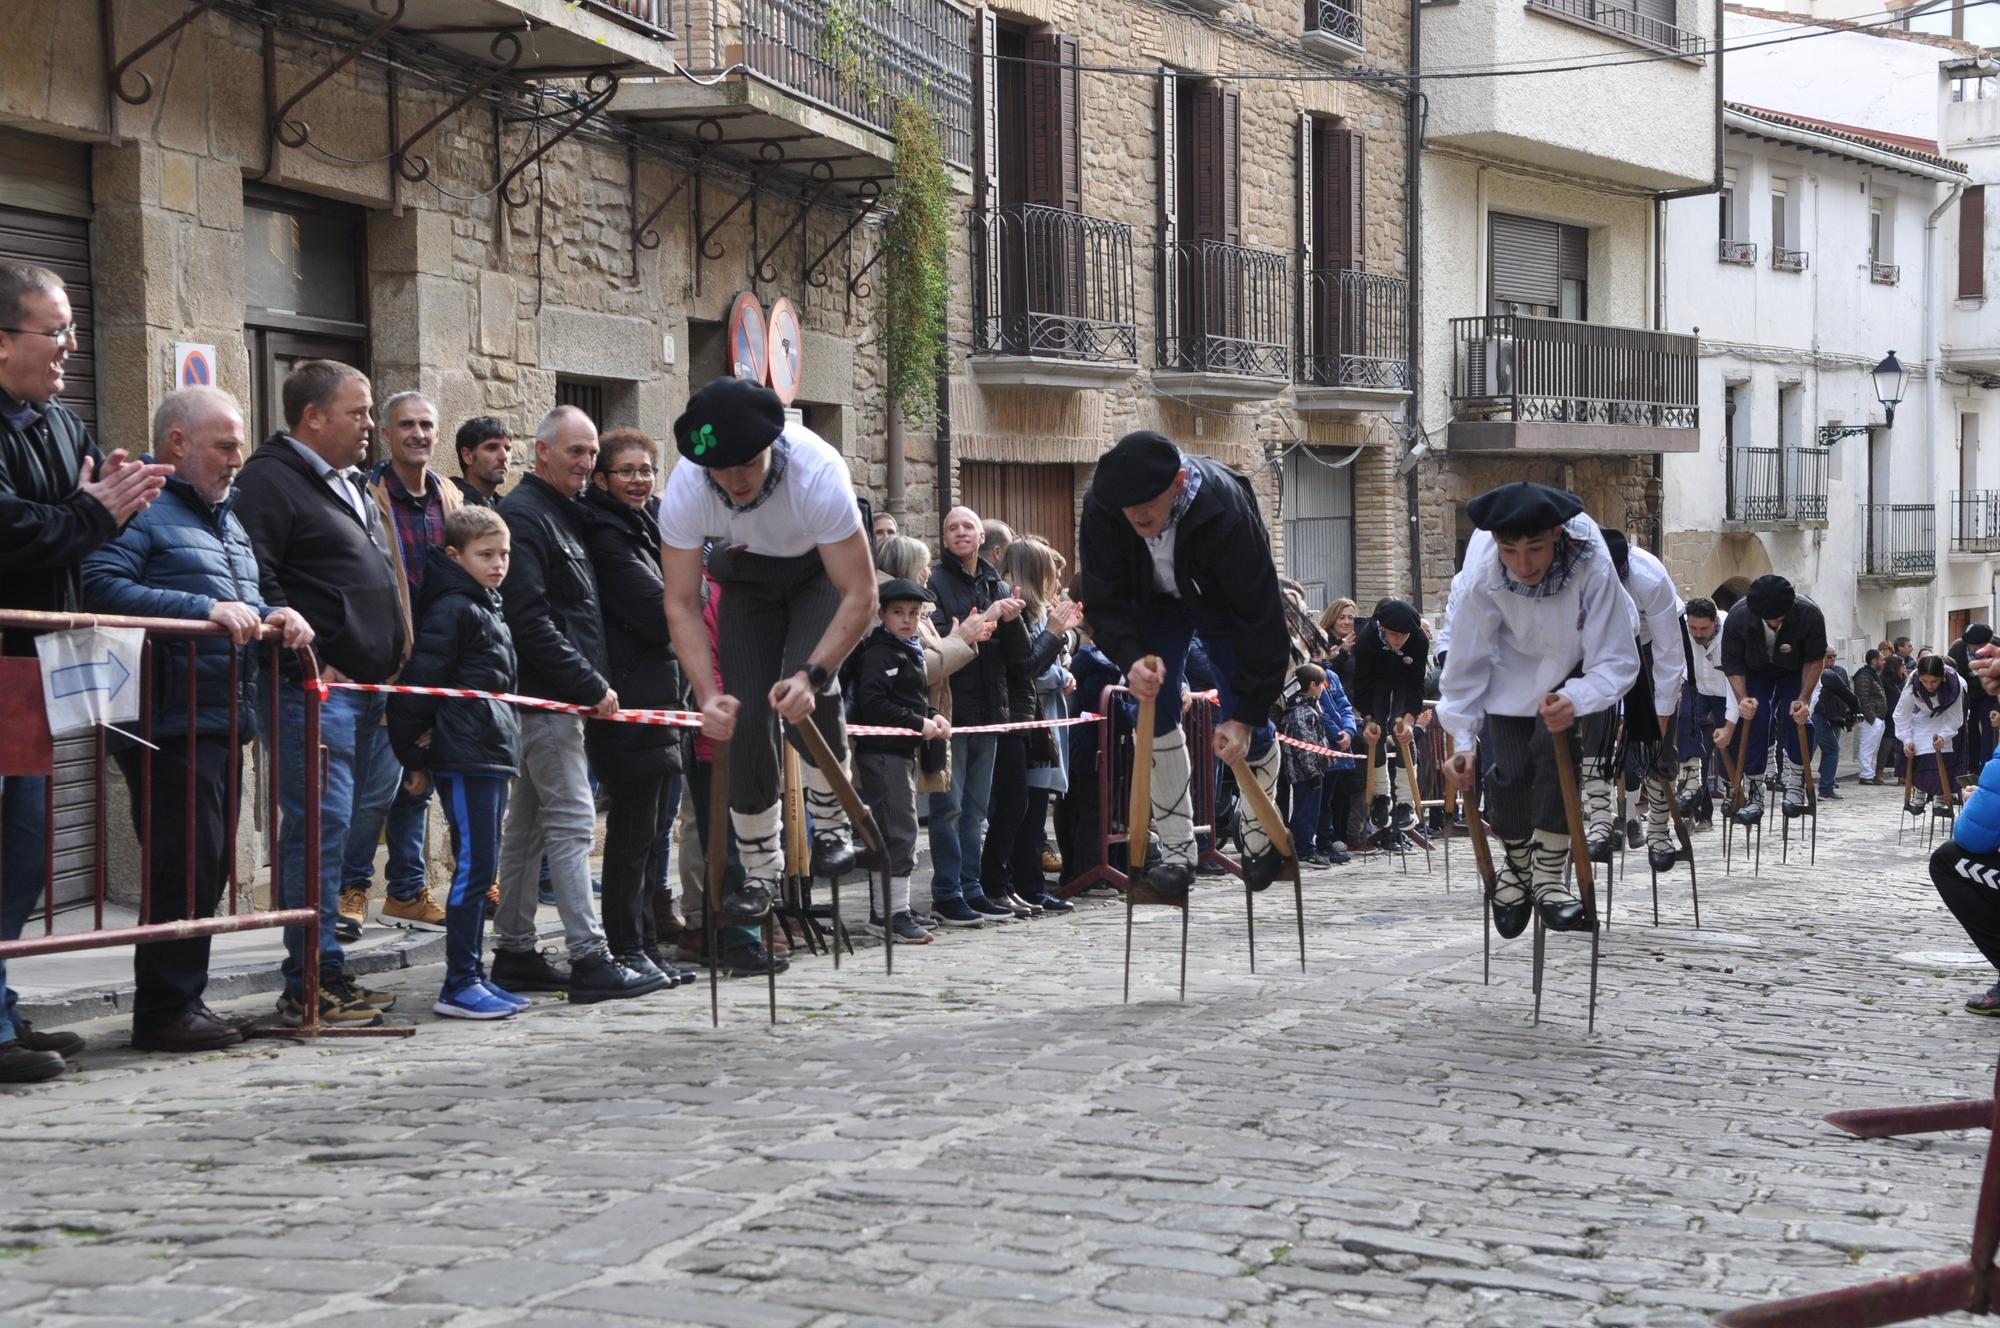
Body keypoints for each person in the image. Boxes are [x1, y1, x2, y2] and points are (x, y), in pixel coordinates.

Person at [81, 387, 312, 1051]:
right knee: (183, 864)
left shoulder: (225, 516)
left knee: (206, 865)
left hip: (219, 715)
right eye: (225, 445)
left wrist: (278, 612)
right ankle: (165, 1011)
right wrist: (199, 607)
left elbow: (248, 593)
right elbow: (99, 585)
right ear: (177, 444)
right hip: (166, 717)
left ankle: (184, 1002)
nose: (238, 458)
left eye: (239, 445)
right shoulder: (143, 508)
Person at [0, 261, 171, 1080]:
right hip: (2, 668)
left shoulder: (62, 425)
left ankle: (0, 1007)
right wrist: (89, 512)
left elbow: (73, 528)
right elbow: (14, 529)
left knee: (25, 851)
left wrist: (109, 506)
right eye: (56, 329)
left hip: (38, 671)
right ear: (2, 342)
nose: (71, 345)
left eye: (72, 328)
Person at [660, 377, 877, 930]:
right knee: (747, 712)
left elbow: (862, 594)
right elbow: (682, 603)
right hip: (747, 580)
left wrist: (811, 673)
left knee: (804, 689)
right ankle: (760, 869)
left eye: (748, 466)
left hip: (819, 574)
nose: (735, 480)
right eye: (722, 470)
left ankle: (831, 822)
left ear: (773, 447)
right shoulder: (686, 488)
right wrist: (707, 696)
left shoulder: (817, 473)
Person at [235, 359, 408, 1029]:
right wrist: (312, 655)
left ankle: (330, 968)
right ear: (314, 417)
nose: (372, 424)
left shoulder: (349, 482)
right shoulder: (270, 481)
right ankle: (309, 978)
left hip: (367, 691)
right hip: (312, 693)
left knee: (351, 826)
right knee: (318, 828)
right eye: (359, 412)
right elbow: (257, 573)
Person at [492, 405, 663, 1004]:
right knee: (569, 825)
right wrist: (588, 683)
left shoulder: (563, 513)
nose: (587, 464)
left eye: (592, 454)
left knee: (528, 829)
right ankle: (591, 958)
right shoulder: (525, 515)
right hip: (550, 699)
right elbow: (530, 619)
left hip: (561, 698)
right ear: (541, 452)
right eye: (577, 453)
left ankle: (513, 949)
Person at [1076, 430, 1292, 901]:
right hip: (1151, 606)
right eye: (1127, 513)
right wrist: (1131, 659)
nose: (1135, 518)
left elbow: (1261, 615)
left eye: (1146, 510)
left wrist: (1245, 714)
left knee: (1243, 719)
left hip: (1224, 604)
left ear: (1177, 483)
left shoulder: (1225, 505)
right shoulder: (1103, 506)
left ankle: (1259, 832)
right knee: (1150, 708)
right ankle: (1176, 854)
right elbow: (1103, 598)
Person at [1437, 482, 1638, 938]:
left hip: (1576, 662)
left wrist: (1578, 698)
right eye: (1510, 551)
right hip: (1508, 668)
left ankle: (1548, 873)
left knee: (1554, 756)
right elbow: (1465, 661)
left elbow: (1618, 656)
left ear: (1557, 535)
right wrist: (1463, 741)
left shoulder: (1593, 563)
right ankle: (1517, 865)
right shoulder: (1482, 572)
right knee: (1506, 771)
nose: (1522, 565)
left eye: (1535, 549)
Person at [386, 506, 528, 1020]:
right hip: (466, 754)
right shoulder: (454, 608)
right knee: (471, 870)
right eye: (486, 554)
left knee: (482, 865)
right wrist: (414, 755)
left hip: (489, 750)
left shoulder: (487, 606)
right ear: (455, 556)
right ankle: (459, 983)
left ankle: (476, 975)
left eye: (504, 554)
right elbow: (418, 687)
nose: (498, 564)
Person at [344, 391, 463, 941]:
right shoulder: (365, 494)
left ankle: (407, 891)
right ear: (386, 435)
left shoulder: (450, 496)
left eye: (427, 425)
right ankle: (351, 888)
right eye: (406, 425)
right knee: (376, 787)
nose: (418, 433)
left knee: (421, 784)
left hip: (439, 665)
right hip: (386, 664)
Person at [579, 427, 696, 987]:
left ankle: (646, 944)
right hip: (629, 698)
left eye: (646, 470)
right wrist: (687, 601)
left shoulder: (647, 527)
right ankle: (626, 945)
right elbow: (659, 611)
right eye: (625, 471)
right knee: (629, 837)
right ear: (602, 479)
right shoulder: (606, 534)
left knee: (653, 833)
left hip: (660, 694)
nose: (638, 480)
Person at [874, 534, 994, 925]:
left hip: (925, 725)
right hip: (896, 735)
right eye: (922, 564)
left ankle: (905, 905)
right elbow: (917, 670)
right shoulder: (886, 618)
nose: (928, 572)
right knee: (902, 825)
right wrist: (961, 640)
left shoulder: (916, 614)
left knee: (914, 823)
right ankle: (901, 908)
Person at [925, 505, 1023, 925]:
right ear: (945, 538)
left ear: (982, 537)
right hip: (953, 710)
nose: (961, 533)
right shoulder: (935, 583)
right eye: (952, 528)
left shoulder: (995, 582)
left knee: (977, 809)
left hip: (991, 709)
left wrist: (1013, 621)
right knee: (948, 808)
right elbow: (940, 645)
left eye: (968, 526)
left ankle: (972, 887)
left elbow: (1017, 658)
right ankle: (947, 892)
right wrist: (985, 619)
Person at [851, 578, 951, 942]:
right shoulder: (879, 653)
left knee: (897, 833)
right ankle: (889, 917)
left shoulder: (908, 650)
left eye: (914, 613)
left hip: (900, 752)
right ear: (881, 615)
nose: (907, 620)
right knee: (898, 831)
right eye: (898, 613)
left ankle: (894, 910)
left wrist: (932, 714)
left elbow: (908, 698)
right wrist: (917, 722)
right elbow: (873, 702)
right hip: (882, 753)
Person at [1588, 530, 1684, 872]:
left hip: (1651, 645)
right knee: (1592, 726)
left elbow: (1669, 656)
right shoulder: (1575, 573)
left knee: (1658, 742)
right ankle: (1600, 819)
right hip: (1602, 645)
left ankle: (1659, 828)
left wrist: (1659, 716)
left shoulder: (1649, 577)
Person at [1715, 574, 1826, 823]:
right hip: (1756, 669)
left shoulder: (1809, 615)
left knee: (1795, 716)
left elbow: (1814, 659)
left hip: (1795, 670)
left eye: (1779, 619)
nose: (1775, 624)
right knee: (1756, 719)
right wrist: (1743, 699)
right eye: (1770, 620)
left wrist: (1804, 699)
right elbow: (1732, 664)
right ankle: (1755, 789)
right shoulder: (1738, 617)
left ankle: (1796, 778)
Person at [1348, 599, 1428, 841]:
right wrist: (1368, 718)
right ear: (1382, 628)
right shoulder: (1366, 639)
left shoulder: (1419, 640)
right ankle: (1382, 796)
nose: (1398, 641)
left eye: (1403, 636)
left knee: (1400, 729)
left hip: (1404, 680)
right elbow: (1361, 682)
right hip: (1376, 682)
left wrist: (1410, 719)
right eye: (1393, 635)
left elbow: (1416, 684)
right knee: (1379, 730)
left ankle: (1406, 802)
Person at [1679, 597, 1737, 827]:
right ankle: (1694, 789)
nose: (1697, 633)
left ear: (1715, 621)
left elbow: (1737, 675)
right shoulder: (1683, 628)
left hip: (1727, 690)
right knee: (1689, 734)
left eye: (1703, 628)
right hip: (1698, 687)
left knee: (1727, 745)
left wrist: (1730, 722)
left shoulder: (1731, 629)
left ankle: (1733, 787)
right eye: (1693, 627)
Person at [1897, 654, 1967, 814]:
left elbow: (1956, 717)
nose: (1929, 685)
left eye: (1934, 681)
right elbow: (1901, 714)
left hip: (1947, 715)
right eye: (1925, 681)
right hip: (1921, 716)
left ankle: (1942, 796)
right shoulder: (1913, 683)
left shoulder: (1956, 685)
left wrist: (1943, 736)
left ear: (1942, 678)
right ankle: (1919, 791)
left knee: (1947, 751)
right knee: (1919, 749)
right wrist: (1906, 740)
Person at [1281, 664, 1336, 867]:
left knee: (1309, 810)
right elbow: (1304, 748)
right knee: (1306, 811)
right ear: (1313, 685)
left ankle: (1304, 847)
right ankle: (1305, 850)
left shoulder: (1309, 708)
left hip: (1311, 771)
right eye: (1322, 684)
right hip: (1305, 774)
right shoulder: (1301, 712)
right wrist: (1313, 773)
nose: (1323, 688)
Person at [1811, 647, 1859, 799]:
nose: (1832, 659)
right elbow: (1846, 697)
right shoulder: (1822, 674)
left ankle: (1821, 785)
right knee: (1828, 749)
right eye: (1828, 657)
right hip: (1816, 716)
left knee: (1822, 750)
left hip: (1829, 716)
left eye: (1834, 657)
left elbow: (1847, 695)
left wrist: (1848, 716)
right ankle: (1824, 788)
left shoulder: (1836, 672)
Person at [1949, 625, 1999, 770]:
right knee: (1969, 727)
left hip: (1989, 694)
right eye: (1972, 645)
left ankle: (1987, 764)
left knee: (1989, 726)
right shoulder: (1957, 650)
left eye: (1981, 645)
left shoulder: (1997, 648)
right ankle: (1971, 765)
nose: (1976, 648)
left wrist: (1997, 707)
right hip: (1967, 693)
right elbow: (1954, 678)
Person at [452, 417, 512, 509]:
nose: (503, 457)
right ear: (467, 455)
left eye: (507, 449)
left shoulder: (507, 509)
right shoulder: (451, 505)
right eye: (492, 448)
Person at [1854, 648, 1889, 785]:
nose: (1883, 661)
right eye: (1881, 659)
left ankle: (1871, 773)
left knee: (1874, 747)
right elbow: (1863, 698)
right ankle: (1865, 774)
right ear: (1874, 661)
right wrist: (1871, 717)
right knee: (1867, 746)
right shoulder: (1864, 676)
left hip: (1878, 717)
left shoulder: (1874, 674)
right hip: (1870, 718)